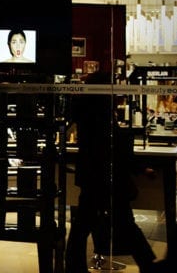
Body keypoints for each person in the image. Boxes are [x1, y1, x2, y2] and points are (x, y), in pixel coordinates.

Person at [66, 71, 156, 273]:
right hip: (107, 178)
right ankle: (148, 264)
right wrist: (140, 167)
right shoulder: (102, 113)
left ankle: (73, 266)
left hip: (92, 177)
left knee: (82, 226)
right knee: (125, 224)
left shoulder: (85, 110)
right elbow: (116, 148)